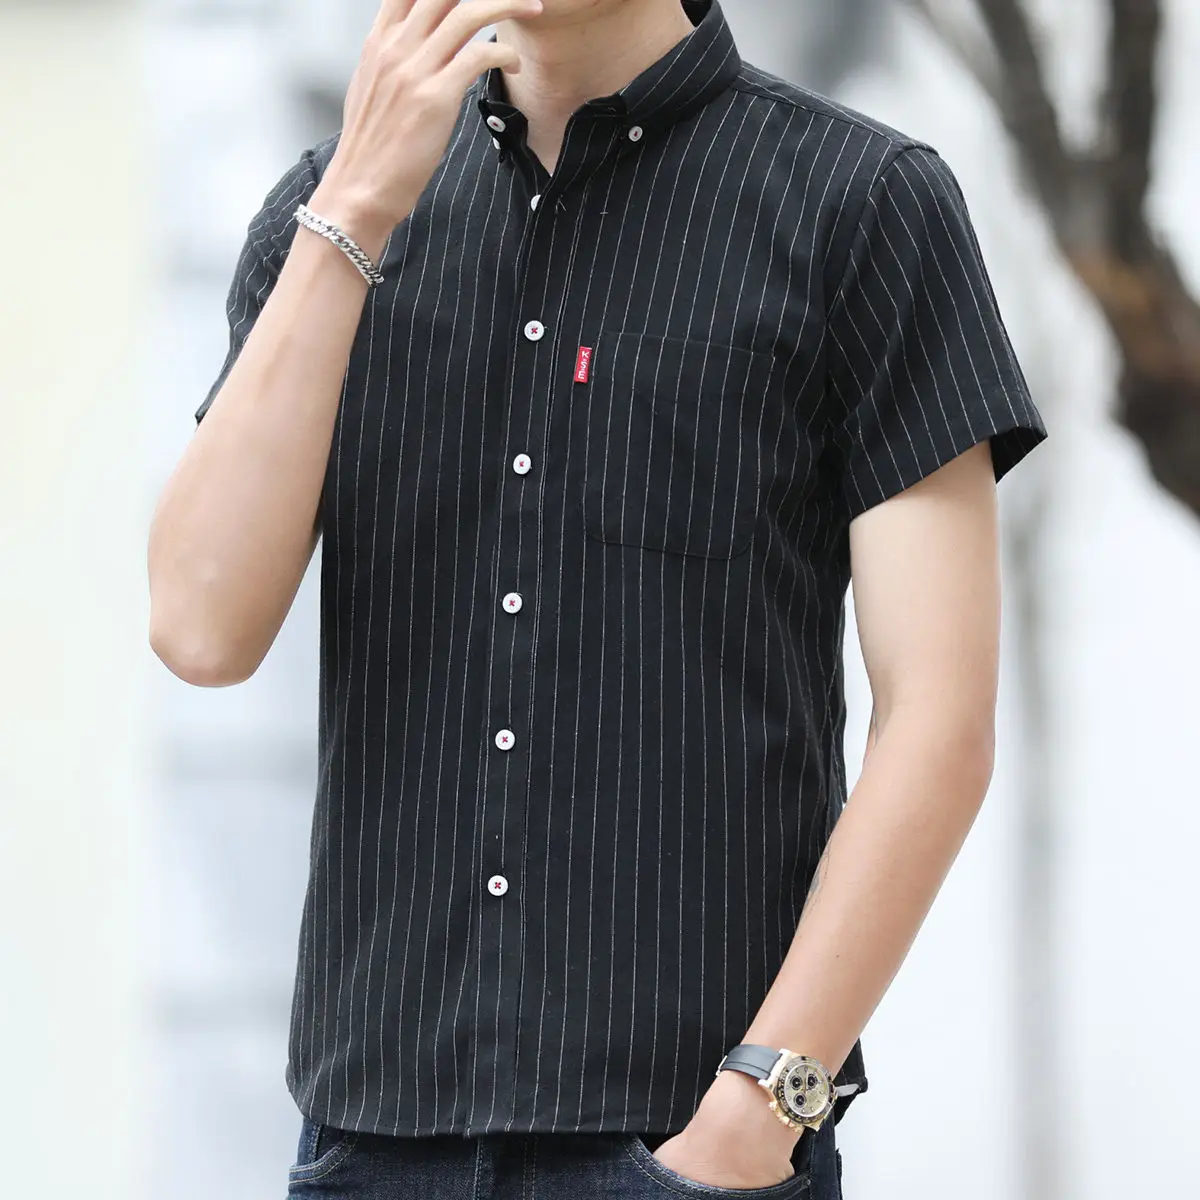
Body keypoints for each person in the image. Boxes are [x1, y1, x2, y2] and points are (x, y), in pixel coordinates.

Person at [146, 0, 1048, 1195]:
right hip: (371, 1142)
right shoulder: (328, 210)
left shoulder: (863, 205)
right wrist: (351, 213)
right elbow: (200, 628)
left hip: (687, 1148)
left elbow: (939, 723)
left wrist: (761, 1106)